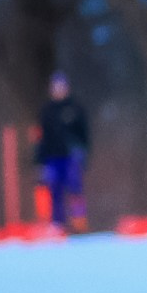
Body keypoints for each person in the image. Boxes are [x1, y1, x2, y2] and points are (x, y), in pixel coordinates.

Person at [36, 73, 91, 234]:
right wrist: (39, 161)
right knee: (54, 192)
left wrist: (83, 153)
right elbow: (41, 138)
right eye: (55, 87)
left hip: (71, 156)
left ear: (67, 88)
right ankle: (57, 226)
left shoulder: (75, 108)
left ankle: (80, 224)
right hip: (52, 158)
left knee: (75, 189)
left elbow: (84, 134)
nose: (58, 90)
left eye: (61, 87)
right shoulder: (46, 111)